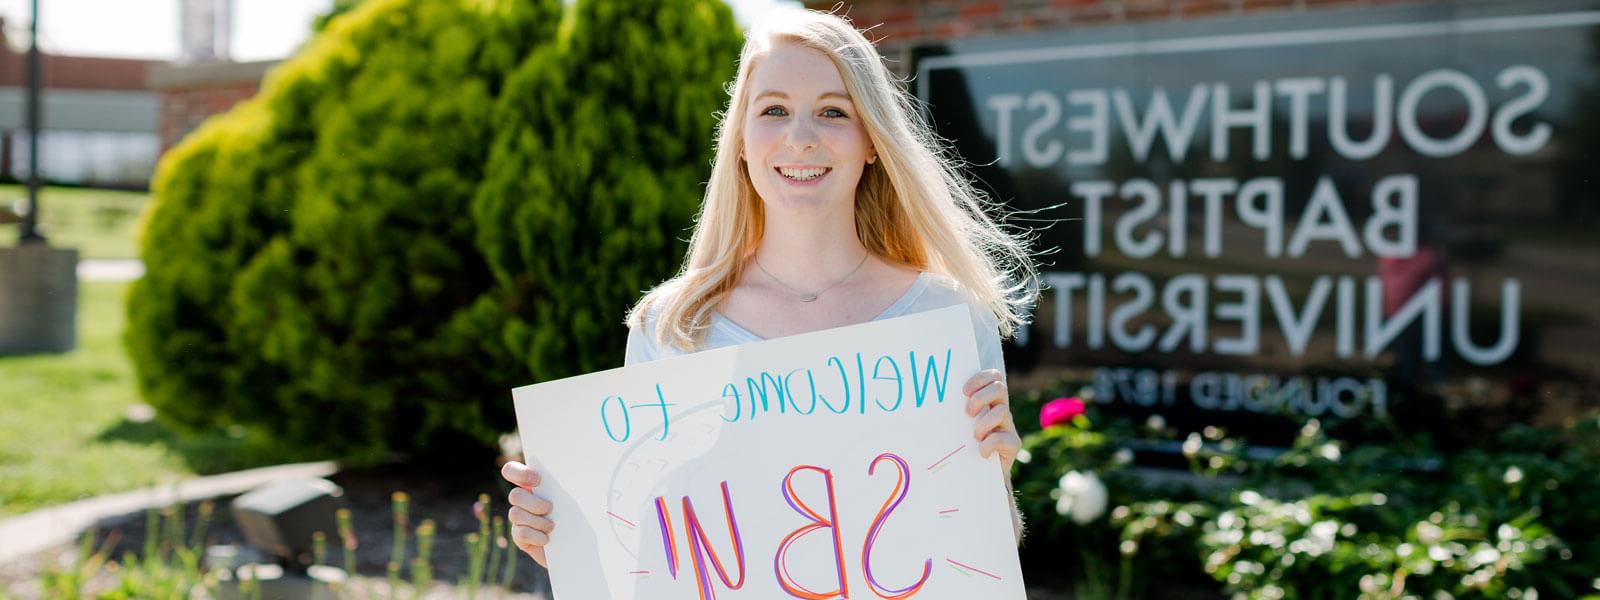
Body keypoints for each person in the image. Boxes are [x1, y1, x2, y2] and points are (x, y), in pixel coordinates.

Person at [499, 7, 1039, 569]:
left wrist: (993, 472)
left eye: (832, 112)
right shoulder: (676, 326)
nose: (799, 138)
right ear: (740, 139)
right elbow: (646, 554)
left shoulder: (944, 317)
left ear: (872, 140)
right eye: (774, 109)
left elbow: (976, 556)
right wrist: (562, 539)